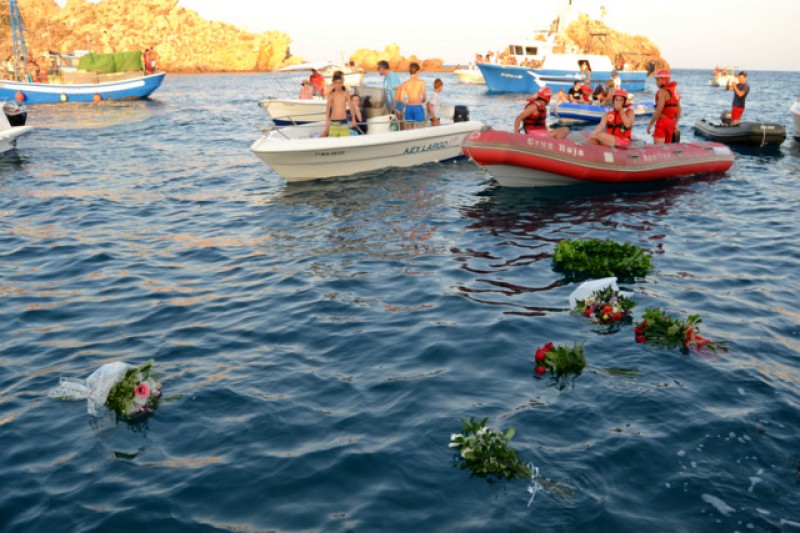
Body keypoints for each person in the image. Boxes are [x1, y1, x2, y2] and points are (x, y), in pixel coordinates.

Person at [646, 69, 681, 144]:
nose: (656, 82)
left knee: (658, 149)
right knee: (667, 149)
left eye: (657, 80)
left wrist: (650, 124)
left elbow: (659, 110)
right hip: (671, 122)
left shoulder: (662, 92)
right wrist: (675, 123)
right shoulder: (675, 91)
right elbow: (679, 110)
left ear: (663, 79)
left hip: (662, 122)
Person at [321, 72, 352, 137]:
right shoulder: (331, 89)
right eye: (343, 78)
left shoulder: (345, 91)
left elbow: (348, 103)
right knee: (329, 132)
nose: (343, 80)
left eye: (342, 80)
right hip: (334, 117)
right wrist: (327, 120)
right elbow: (325, 95)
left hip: (343, 119)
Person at [377, 59, 404, 124]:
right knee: (393, 125)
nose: (377, 70)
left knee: (399, 123)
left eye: (378, 68)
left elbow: (399, 89)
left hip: (396, 105)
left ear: (382, 68)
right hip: (390, 106)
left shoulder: (392, 76)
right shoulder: (386, 77)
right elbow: (386, 92)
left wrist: (394, 103)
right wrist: (382, 103)